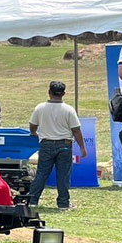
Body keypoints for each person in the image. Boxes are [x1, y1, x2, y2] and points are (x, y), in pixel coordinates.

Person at [27, 81, 86, 211]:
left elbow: (33, 125)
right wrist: (82, 147)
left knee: (42, 174)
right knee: (63, 175)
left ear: (49, 92)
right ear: (64, 93)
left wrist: (34, 132)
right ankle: (63, 204)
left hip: (46, 143)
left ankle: (32, 200)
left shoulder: (40, 108)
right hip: (65, 145)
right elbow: (76, 130)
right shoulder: (69, 110)